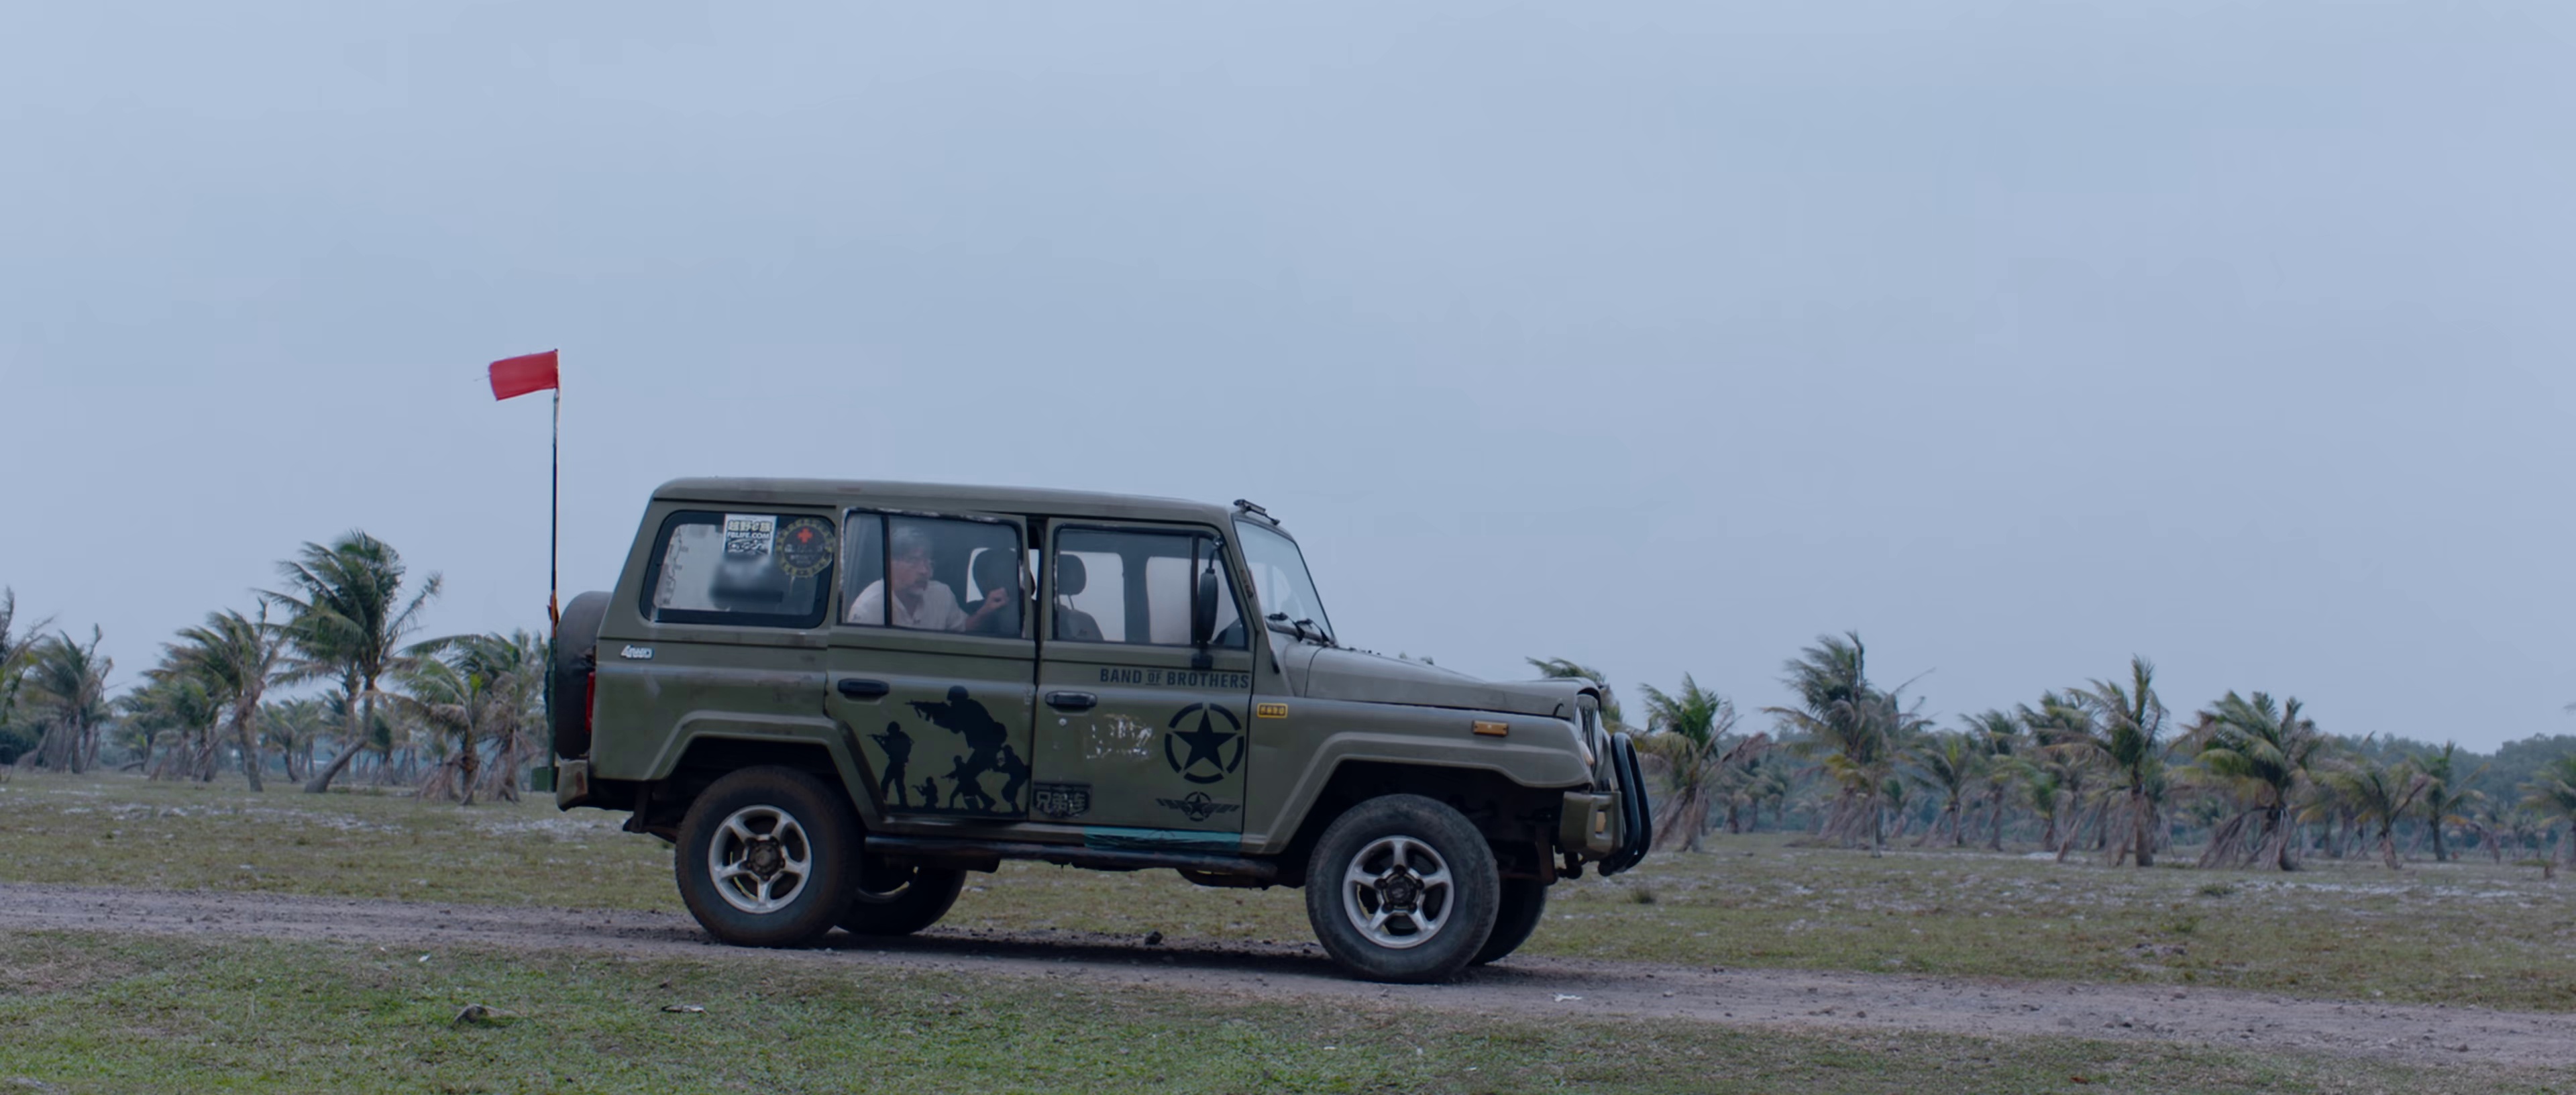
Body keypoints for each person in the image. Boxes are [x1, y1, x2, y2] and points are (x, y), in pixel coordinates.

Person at [848, 526, 1013, 631]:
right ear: (889, 564)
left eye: (928, 562)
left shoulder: (941, 594)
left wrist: (987, 610)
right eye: (913, 561)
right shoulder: (868, 609)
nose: (924, 571)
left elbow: (962, 629)